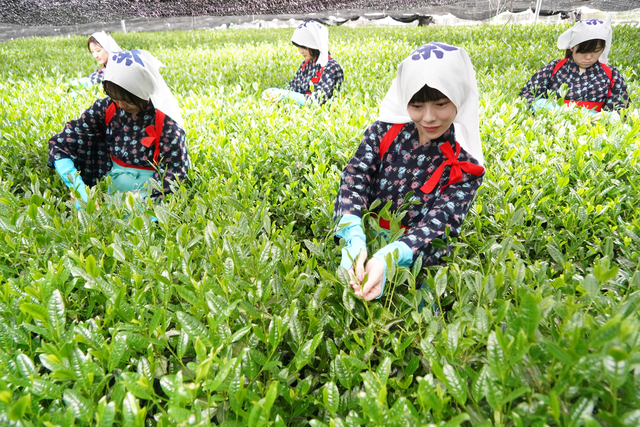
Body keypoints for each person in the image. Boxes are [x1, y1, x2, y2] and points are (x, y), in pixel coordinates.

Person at [333, 42, 485, 302]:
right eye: (416, 106)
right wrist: (352, 234)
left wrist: (391, 256)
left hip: (416, 258)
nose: (429, 118)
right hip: (366, 240)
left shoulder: (464, 163)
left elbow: (441, 224)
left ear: (458, 96)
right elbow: (354, 179)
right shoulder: (383, 132)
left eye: (440, 104)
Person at [49, 49, 189, 209]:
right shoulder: (106, 108)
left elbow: (174, 173)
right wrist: (77, 187)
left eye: (128, 100)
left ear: (142, 92)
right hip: (109, 188)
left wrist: (145, 202)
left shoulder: (167, 125)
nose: (121, 105)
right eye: (116, 98)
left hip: (146, 196)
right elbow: (62, 142)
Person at [519, 19, 628, 113]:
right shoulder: (553, 68)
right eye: (583, 51)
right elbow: (526, 95)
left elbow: (622, 107)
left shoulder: (611, 73)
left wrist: (608, 116)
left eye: (596, 51)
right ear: (572, 47)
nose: (589, 57)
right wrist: (546, 107)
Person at [263, 20, 344, 105]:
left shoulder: (331, 67)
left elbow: (319, 100)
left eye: (303, 47)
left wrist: (285, 95)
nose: (300, 51)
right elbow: (292, 88)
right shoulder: (306, 65)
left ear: (314, 45)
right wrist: (273, 91)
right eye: (299, 47)